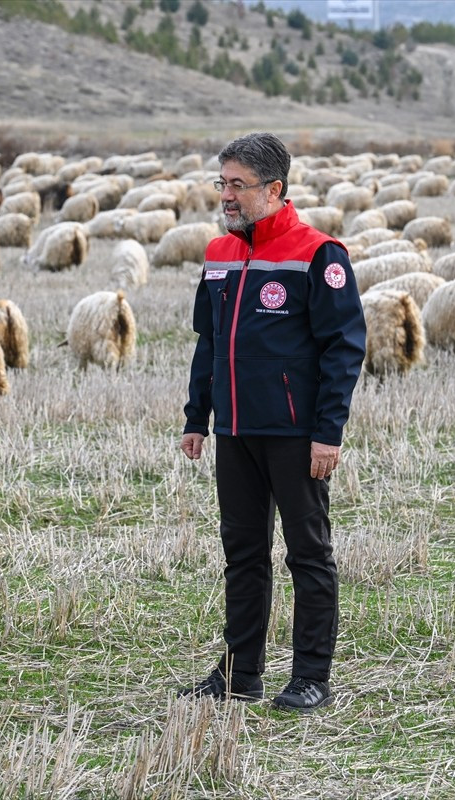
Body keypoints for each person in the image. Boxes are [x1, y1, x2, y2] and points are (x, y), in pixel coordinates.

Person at [179, 132, 366, 712]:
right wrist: (197, 417)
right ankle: (241, 674)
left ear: (275, 189)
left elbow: (343, 348)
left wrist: (327, 432)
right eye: (223, 183)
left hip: (294, 435)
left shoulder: (318, 254)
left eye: (238, 185)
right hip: (235, 432)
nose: (227, 196)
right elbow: (209, 344)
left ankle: (312, 677)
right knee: (242, 556)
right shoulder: (219, 254)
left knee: (307, 553)